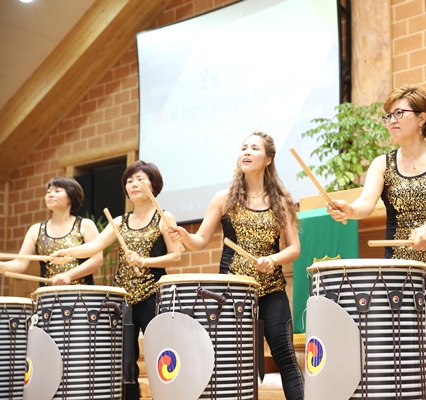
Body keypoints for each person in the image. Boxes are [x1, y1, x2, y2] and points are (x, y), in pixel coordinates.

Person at [327, 85, 426, 399]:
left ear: (422, 118)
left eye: (399, 113)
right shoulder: (382, 164)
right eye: (388, 115)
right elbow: (366, 204)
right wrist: (349, 210)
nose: (391, 120)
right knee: (402, 351)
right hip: (401, 271)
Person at [168, 132, 304, 400]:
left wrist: (272, 259)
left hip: (271, 291)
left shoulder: (282, 200)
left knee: (286, 359)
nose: (247, 152)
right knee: (231, 365)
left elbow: (294, 248)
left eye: (254, 148)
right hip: (232, 294)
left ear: (268, 159)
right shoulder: (224, 198)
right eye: (243, 148)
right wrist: (185, 236)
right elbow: (200, 241)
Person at [53, 160, 182, 400]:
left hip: (153, 296)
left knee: (161, 355)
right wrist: (68, 252)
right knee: (124, 361)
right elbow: (95, 246)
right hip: (122, 300)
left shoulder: (164, 217)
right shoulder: (120, 221)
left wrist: (143, 261)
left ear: (153, 185)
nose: (133, 184)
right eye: (129, 181)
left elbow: (176, 256)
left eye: (140, 179)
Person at [0, 177, 102, 285]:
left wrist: (68, 275)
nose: (51, 194)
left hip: (80, 292)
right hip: (48, 293)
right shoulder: (35, 230)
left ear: (71, 197)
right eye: (48, 192)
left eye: (57, 191)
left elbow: (97, 259)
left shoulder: (85, 225)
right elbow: (20, 264)